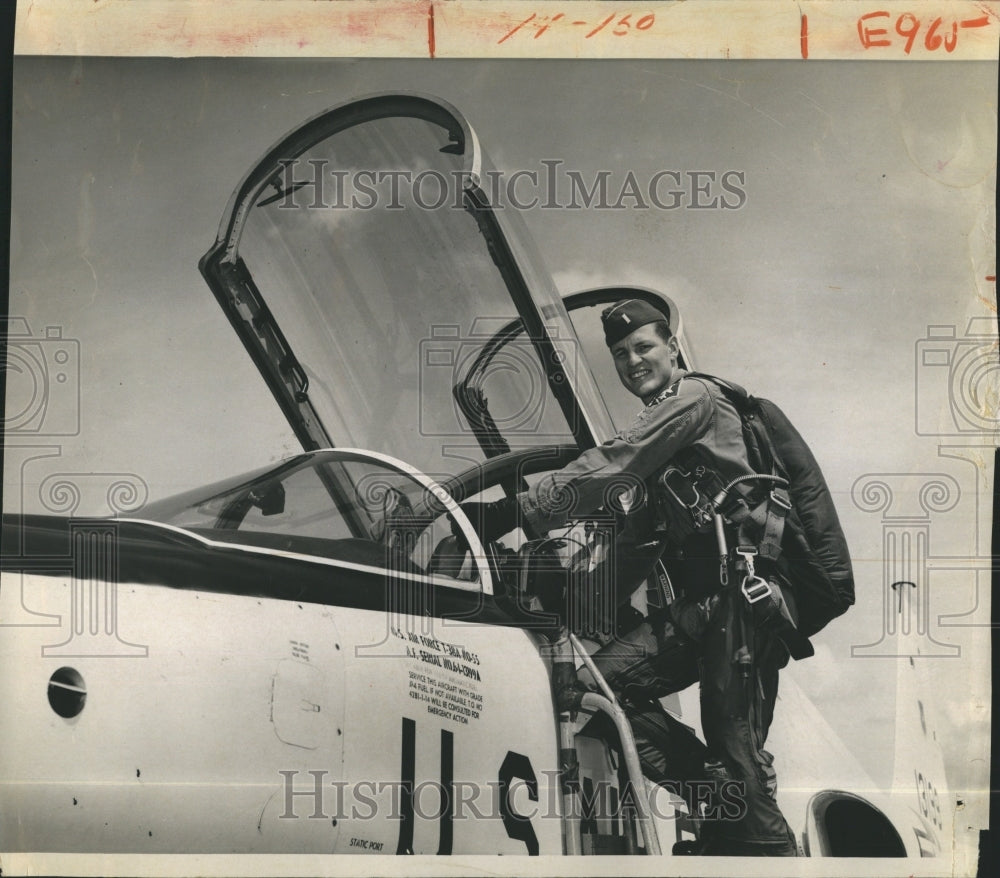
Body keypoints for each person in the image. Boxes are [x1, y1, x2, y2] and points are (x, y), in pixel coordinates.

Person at [464, 298, 800, 856]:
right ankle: (717, 801)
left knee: (738, 760)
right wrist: (568, 602)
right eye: (620, 354)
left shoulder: (693, 398)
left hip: (745, 607)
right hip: (704, 612)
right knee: (594, 686)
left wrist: (514, 512)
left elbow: (616, 463)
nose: (633, 361)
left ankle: (769, 852)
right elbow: (636, 545)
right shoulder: (671, 455)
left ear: (673, 347)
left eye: (643, 347)